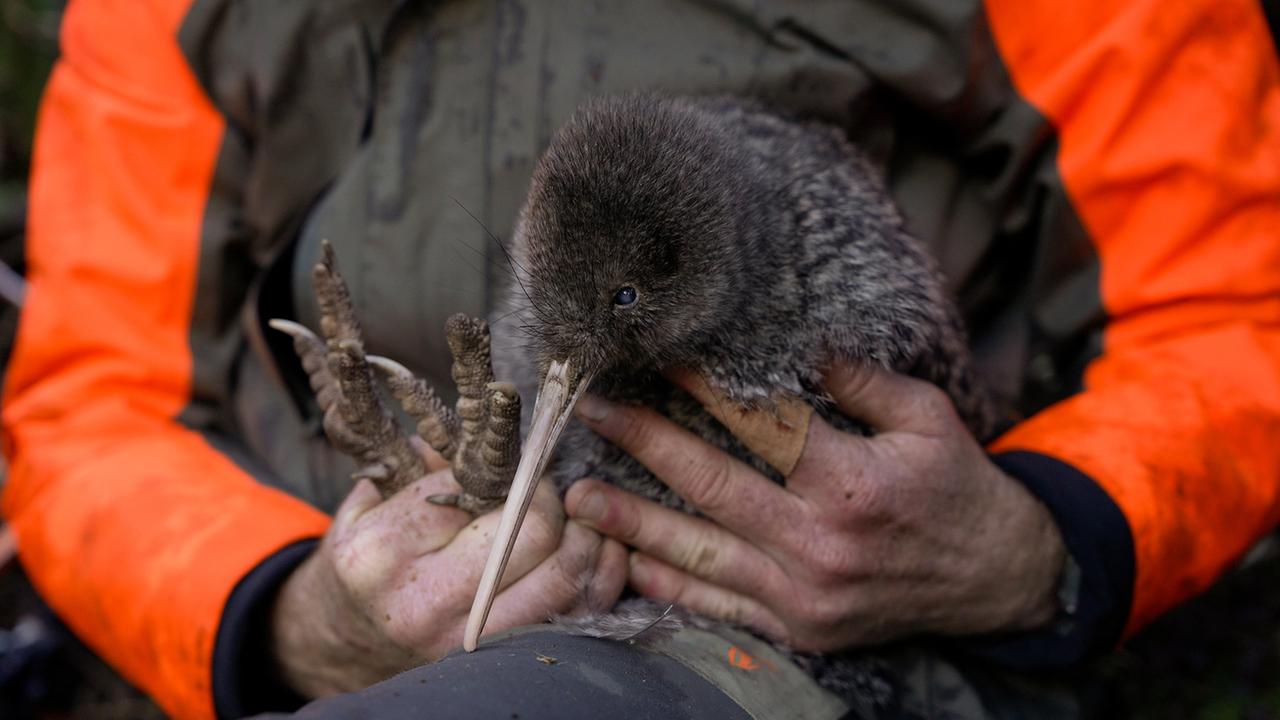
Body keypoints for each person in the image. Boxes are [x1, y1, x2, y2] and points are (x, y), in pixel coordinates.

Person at [3, 0, 1279, 718]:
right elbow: (90, 404)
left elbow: (1235, 308)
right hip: (357, 600)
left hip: (806, 620)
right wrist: (292, 617)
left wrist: (1031, 540)